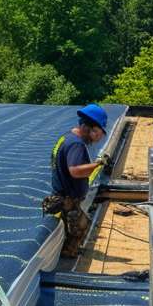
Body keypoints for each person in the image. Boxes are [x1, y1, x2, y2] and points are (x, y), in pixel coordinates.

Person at [45, 104, 111, 260]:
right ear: (92, 129)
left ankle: (69, 252)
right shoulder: (76, 144)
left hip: (62, 197)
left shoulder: (67, 137)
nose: (98, 138)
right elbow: (75, 171)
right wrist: (99, 163)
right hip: (67, 201)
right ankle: (66, 261)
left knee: (81, 226)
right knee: (78, 229)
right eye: (99, 133)